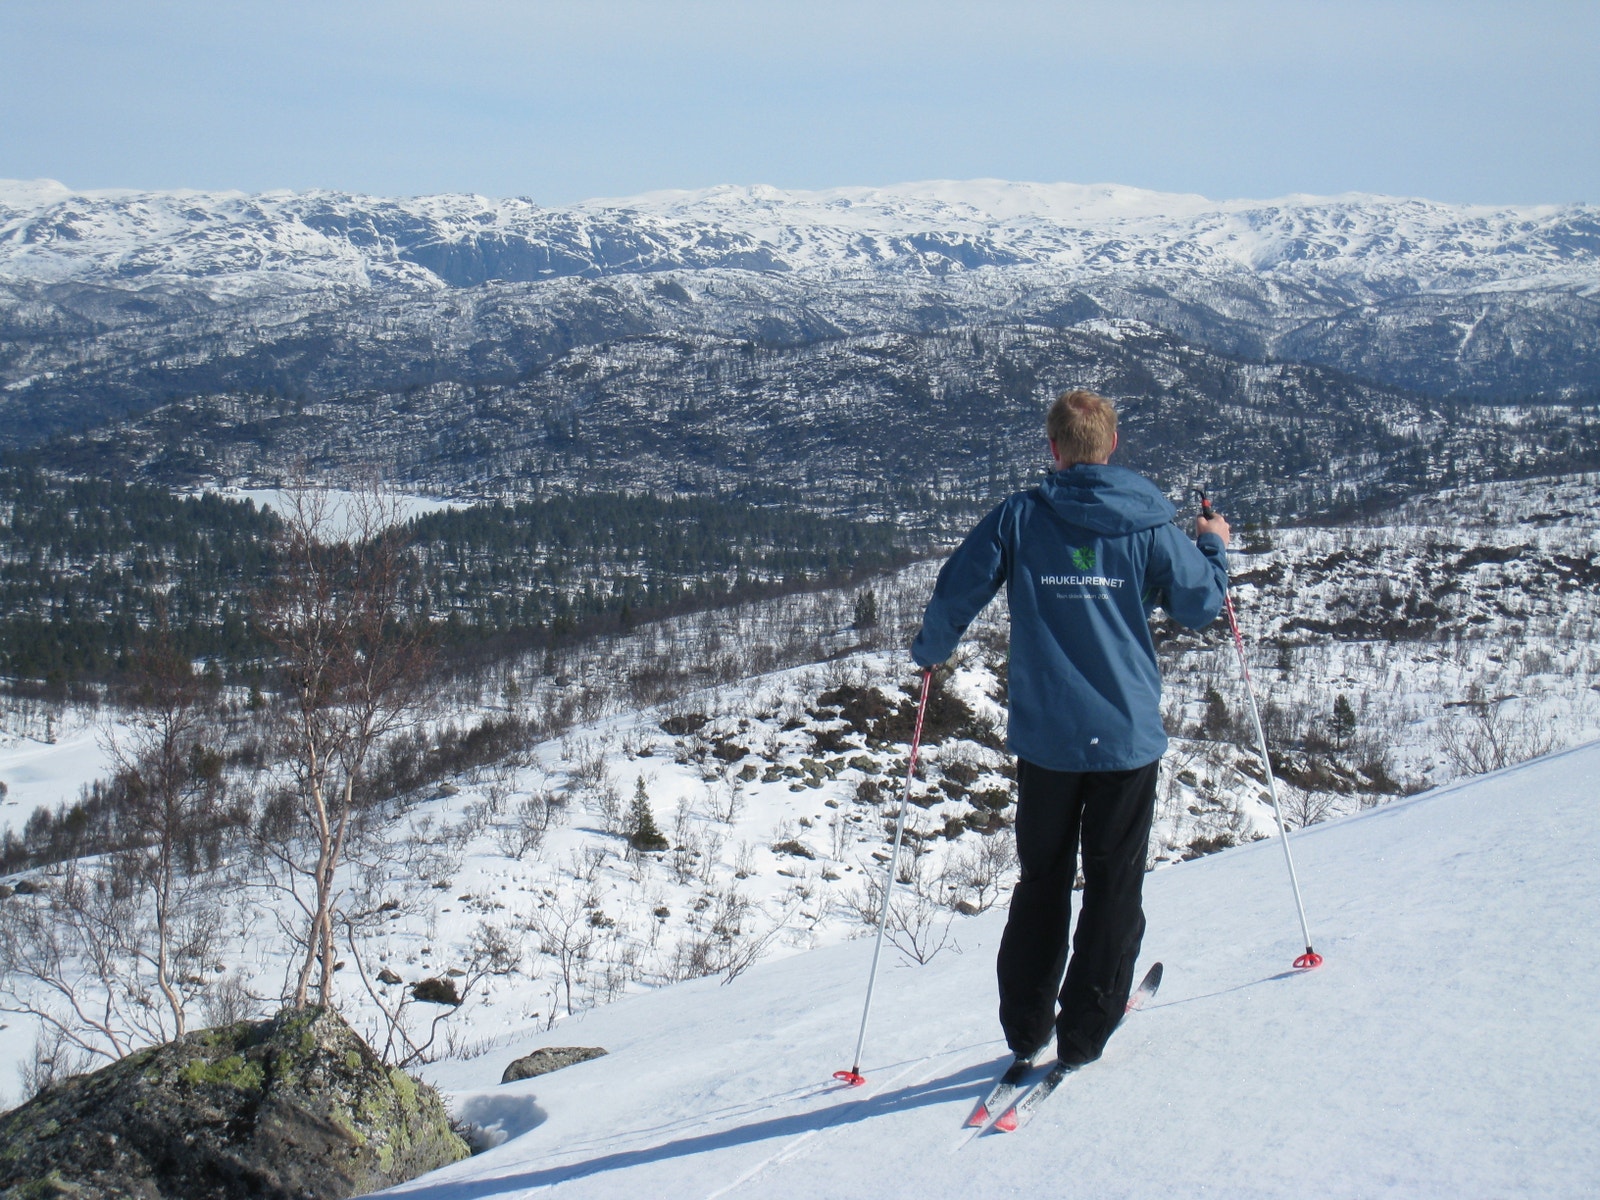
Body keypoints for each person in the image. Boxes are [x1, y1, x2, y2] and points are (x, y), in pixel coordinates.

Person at [911, 388, 1230, 1072]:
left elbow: (958, 586)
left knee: (1043, 879)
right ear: (1111, 447)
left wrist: (931, 651)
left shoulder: (1023, 517)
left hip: (1048, 738)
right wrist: (1216, 549)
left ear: (1053, 450)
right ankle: (1085, 1030)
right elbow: (1201, 605)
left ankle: (1027, 1029)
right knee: (1116, 883)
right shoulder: (1147, 524)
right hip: (1124, 737)